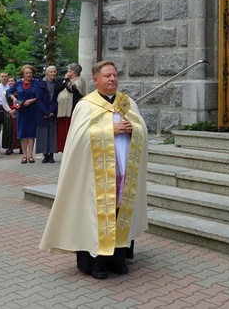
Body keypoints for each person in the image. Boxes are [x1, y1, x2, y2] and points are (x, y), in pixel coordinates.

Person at [40, 60, 148, 279]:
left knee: (118, 214)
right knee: (98, 216)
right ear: (96, 80)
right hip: (95, 176)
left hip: (123, 171)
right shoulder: (86, 105)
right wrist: (111, 129)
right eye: (107, 76)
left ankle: (117, 260)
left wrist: (132, 129)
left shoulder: (126, 102)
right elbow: (78, 139)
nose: (112, 79)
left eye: (115, 75)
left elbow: (142, 128)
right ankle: (96, 264)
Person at [8, 65, 39, 163]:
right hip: (21, 110)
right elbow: (9, 92)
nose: (28, 75)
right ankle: (24, 155)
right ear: (23, 74)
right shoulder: (18, 83)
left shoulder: (36, 82)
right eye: (26, 73)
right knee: (22, 133)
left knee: (31, 133)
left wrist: (32, 100)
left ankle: (30, 155)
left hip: (32, 110)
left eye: (30, 73)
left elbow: (40, 95)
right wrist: (14, 99)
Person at [55, 64, 84, 154]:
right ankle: (64, 150)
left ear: (74, 72)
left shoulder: (80, 80)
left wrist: (67, 80)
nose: (67, 73)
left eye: (69, 71)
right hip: (62, 110)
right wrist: (66, 80)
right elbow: (57, 89)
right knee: (63, 132)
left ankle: (72, 151)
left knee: (70, 131)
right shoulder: (67, 80)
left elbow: (71, 89)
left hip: (72, 110)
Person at [36, 65, 59, 163]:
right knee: (43, 133)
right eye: (51, 72)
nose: (53, 74)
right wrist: (45, 112)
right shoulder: (41, 84)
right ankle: (45, 154)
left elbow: (58, 99)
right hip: (43, 113)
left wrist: (51, 111)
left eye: (54, 72)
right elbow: (38, 99)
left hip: (53, 113)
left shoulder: (58, 84)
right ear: (47, 73)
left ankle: (51, 155)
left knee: (52, 134)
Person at [2, 76, 20, 155]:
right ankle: (9, 147)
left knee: (18, 130)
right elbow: (4, 103)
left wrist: (15, 110)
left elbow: (21, 101)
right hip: (9, 114)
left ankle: (21, 147)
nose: (11, 82)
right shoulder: (5, 92)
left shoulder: (19, 91)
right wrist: (10, 111)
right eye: (9, 81)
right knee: (9, 131)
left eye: (12, 81)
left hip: (18, 112)